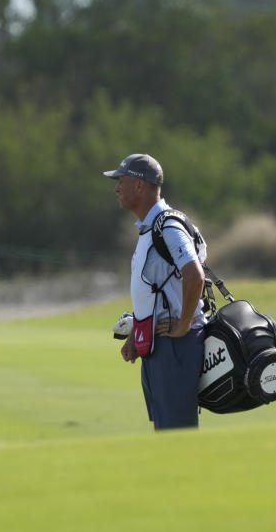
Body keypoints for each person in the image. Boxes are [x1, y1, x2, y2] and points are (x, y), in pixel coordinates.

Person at [104, 153, 207, 430]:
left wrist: (184, 324)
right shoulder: (150, 227)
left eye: (121, 181)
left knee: (177, 432)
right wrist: (138, 337)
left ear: (139, 185)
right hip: (157, 344)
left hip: (175, 345)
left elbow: (195, 276)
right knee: (164, 429)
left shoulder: (168, 225)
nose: (116, 188)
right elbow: (153, 294)